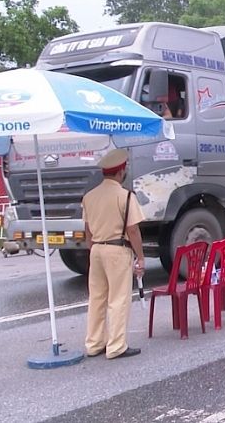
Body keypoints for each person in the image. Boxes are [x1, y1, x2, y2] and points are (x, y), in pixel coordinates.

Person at [82, 148, 145, 359]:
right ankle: (116, 346)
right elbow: (133, 230)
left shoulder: (89, 197)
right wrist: (141, 256)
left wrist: (94, 248)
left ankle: (94, 343)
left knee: (97, 298)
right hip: (117, 249)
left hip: (97, 249)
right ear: (121, 171)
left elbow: (88, 230)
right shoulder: (125, 196)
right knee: (118, 299)